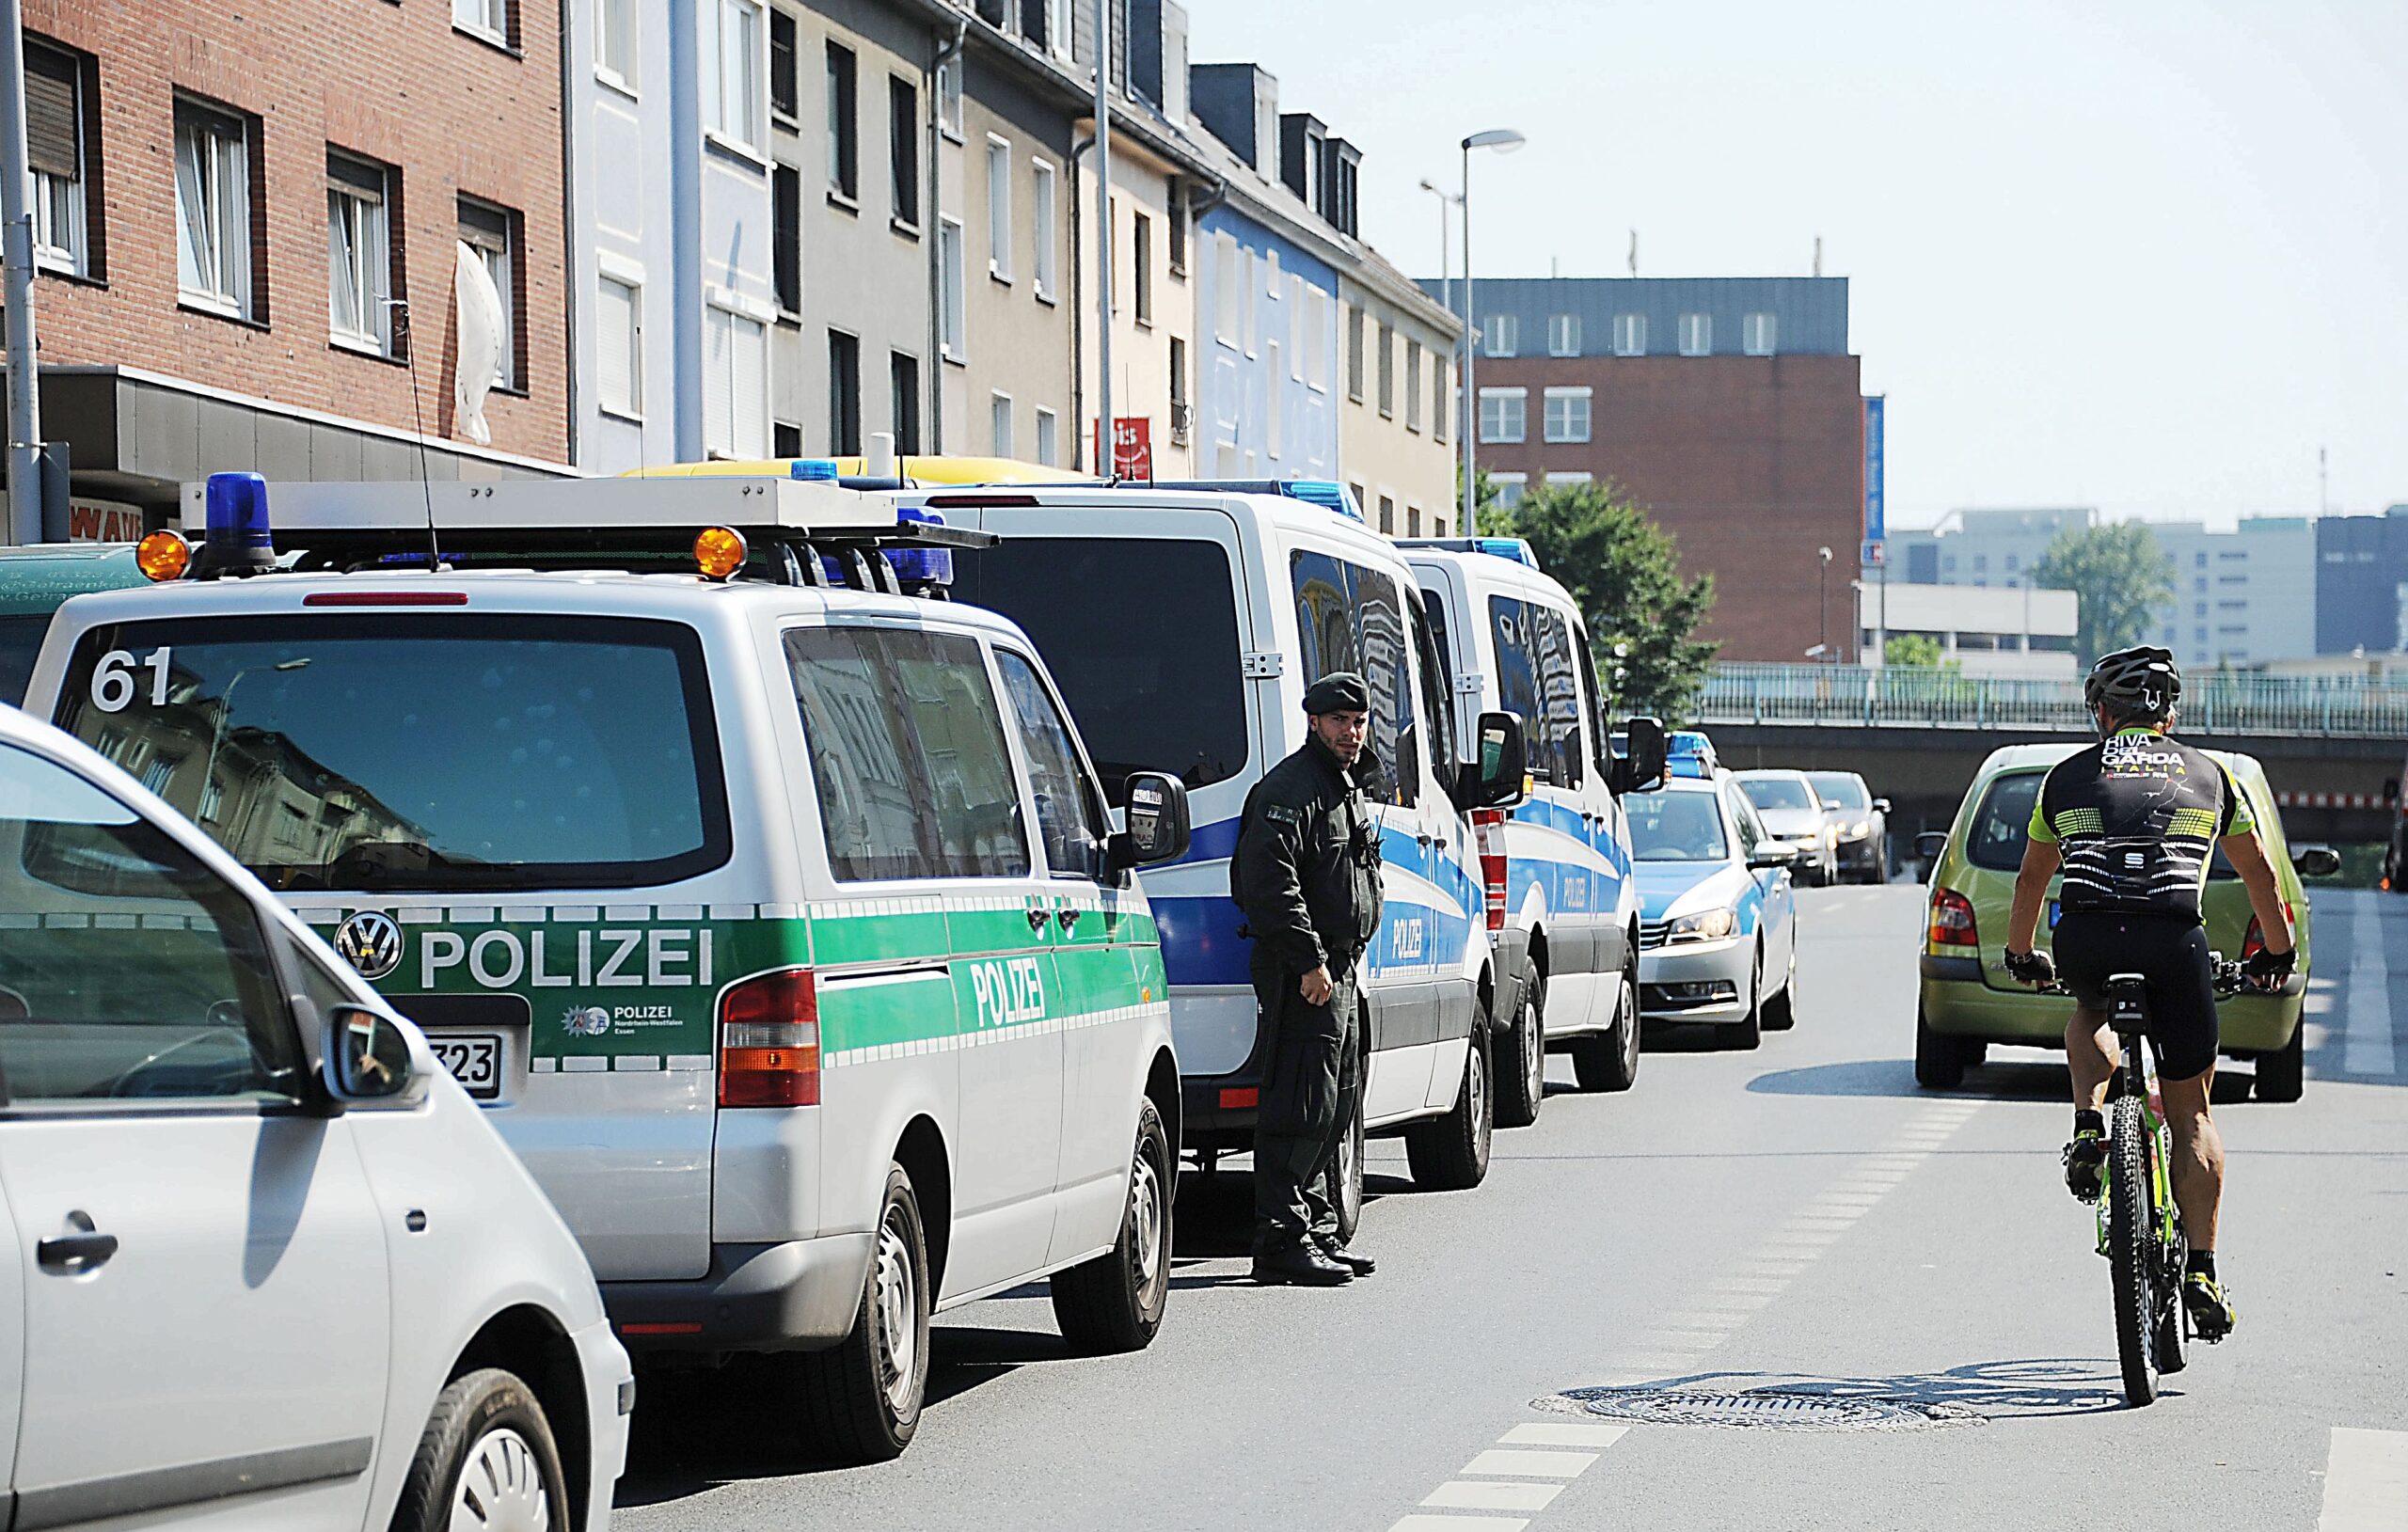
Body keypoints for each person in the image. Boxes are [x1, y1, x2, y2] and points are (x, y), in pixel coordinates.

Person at [2000, 646, 2294, 1342]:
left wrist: (2020, 954)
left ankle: (2086, 1125)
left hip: (2091, 939)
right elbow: (2260, 877)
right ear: (2170, 712)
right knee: (2191, 1110)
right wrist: (2276, 953)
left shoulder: (2065, 778)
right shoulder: (2213, 776)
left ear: (2103, 713)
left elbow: (2030, 881)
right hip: (2175, 942)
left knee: (2088, 1015)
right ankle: (2200, 1267)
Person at [1230, 671, 1386, 1287]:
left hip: (1339, 968)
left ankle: (1316, 1228)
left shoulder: (1341, 785)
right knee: (1299, 1100)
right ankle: (1280, 1238)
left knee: (1336, 1100)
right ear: (1314, 722)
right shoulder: (1292, 789)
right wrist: (1308, 959)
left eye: (1359, 721)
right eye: (1340, 721)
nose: (1352, 732)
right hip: (1307, 971)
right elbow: (1269, 882)